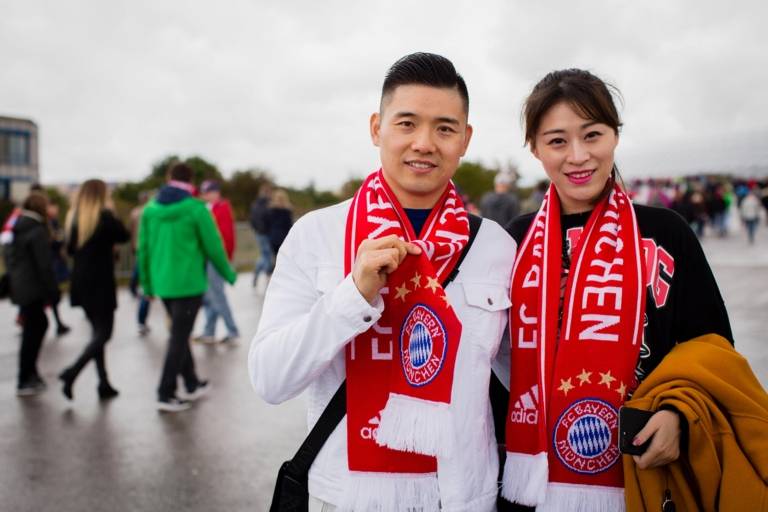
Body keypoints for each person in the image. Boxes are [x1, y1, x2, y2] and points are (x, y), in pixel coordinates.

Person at [249, 53, 516, 511]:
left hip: (462, 497)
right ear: (377, 128)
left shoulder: (496, 247)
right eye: (407, 123)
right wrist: (351, 295)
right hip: (344, 496)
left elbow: (523, 378)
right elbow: (270, 379)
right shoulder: (317, 235)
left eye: (445, 128)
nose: (425, 143)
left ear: (465, 139)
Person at [499, 69, 733, 511]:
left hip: (641, 475)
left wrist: (678, 415)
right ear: (534, 148)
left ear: (615, 136)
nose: (578, 156)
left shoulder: (666, 232)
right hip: (530, 483)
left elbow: (713, 347)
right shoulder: (515, 239)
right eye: (556, 141)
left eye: (593, 135)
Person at [138, 163, 236, 412]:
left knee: (180, 333)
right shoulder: (197, 209)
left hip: (163, 284)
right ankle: (165, 392)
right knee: (179, 337)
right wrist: (229, 274)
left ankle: (191, 383)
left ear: (168, 178)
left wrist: (147, 285)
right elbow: (213, 245)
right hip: (189, 284)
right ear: (191, 181)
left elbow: (144, 250)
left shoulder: (149, 210)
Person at [59, 179, 130, 401]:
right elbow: (125, 235)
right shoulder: (105, 217)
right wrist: (110, 211)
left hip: (81, 282)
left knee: (96, 334)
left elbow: (69, 250)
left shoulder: (74, 218)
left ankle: (103, 382)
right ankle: (72, 372)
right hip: (100, 282)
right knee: (104, 333)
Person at [6, 192, 59, 395]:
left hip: (21, 284)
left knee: (35, 327)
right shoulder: (36, 229)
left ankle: (30, 374)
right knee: (34, 331)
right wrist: (52, 290)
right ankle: (25, 377)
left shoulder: (17, 225)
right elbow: (44, 264)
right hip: (32, 287)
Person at [194, 179, 240, 344]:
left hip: (217, 258)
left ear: (216, 192)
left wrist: (225, 258)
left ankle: (232, 331)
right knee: (209, 296)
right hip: (206, 258)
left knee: (218, 295)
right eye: (204, 192)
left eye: (208, 192)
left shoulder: (222, 208)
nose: (205, 195)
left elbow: (226, 235)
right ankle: (209, 331)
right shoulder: (207, 208)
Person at [129, 190, 152, 336]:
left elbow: (131, 230)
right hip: (151, 249)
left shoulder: (136, 212)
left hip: (140, 247)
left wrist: (133, 244)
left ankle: (141, 321)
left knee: (146, 285)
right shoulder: (152, 211)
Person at [47, 201, 71, 336]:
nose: (55, 208)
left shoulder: (52, 222)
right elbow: (55, 241)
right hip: (52, 262)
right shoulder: (47, 223)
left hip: (54, 261)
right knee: (53, 294)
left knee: (54, 294)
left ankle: (58, 323)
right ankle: (58, 323)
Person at [249, 184, 273, 290]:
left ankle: (257, 273)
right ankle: (267, 279)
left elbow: (251, 219)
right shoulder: (267, 205)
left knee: (264, 255)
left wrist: (256, 229)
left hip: (259, 233)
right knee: (267, 256)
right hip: (265, 233)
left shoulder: (255, 204)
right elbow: (268, 219)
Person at [266, 189, 293, 256]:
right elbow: (289, 226)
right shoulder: (287, 212)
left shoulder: (271, 210)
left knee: (277, 260)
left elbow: (267, 225)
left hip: (275, 238)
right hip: (282, 239)